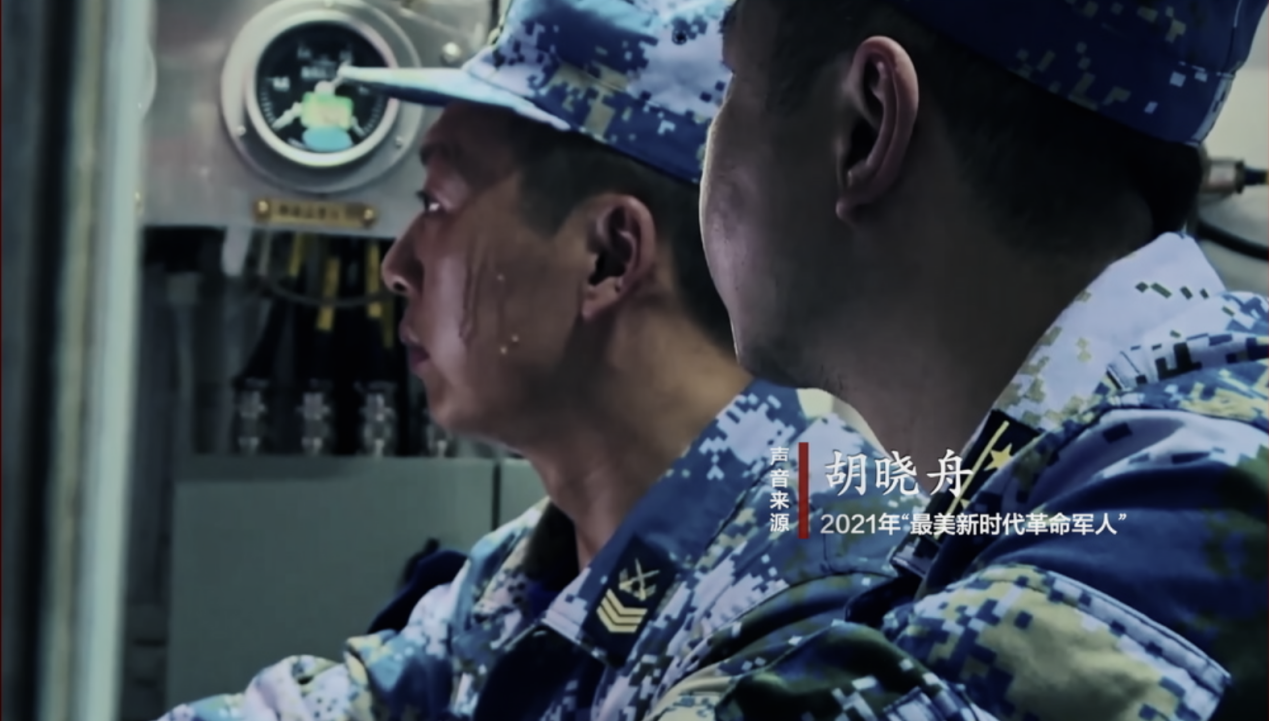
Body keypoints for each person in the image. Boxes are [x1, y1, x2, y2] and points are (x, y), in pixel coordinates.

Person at [157, 0, 922, 719]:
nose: (396, 266)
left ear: (607, 256)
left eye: (437, 204)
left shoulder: (832, 589)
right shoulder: (532, 569)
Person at [670, 0, 1268, 719]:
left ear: (866, 128)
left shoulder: (1178, 519)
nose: (707, 146)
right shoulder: (1159, 466)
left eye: (733, 80)